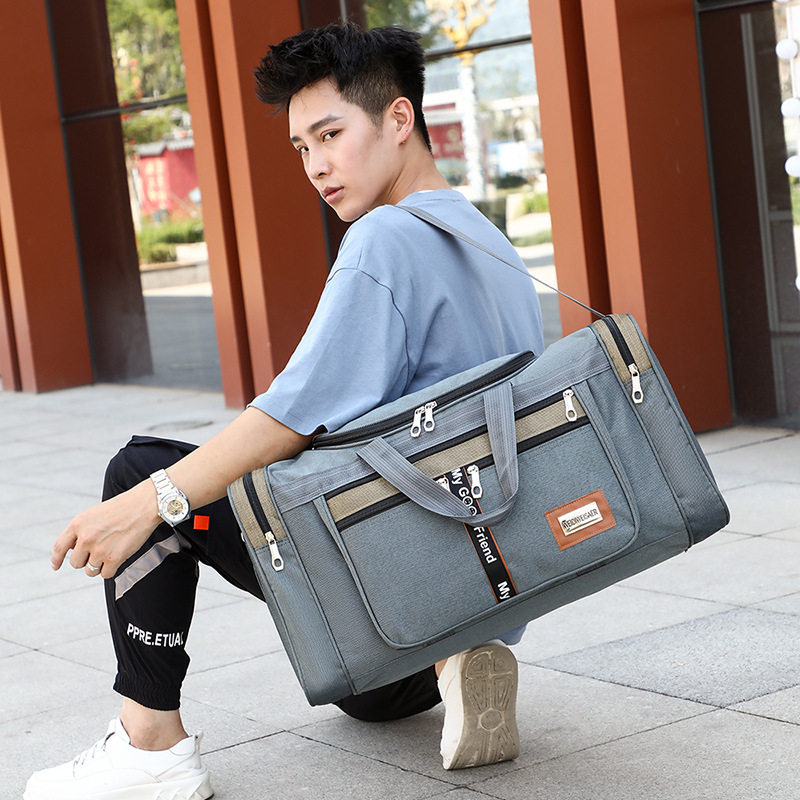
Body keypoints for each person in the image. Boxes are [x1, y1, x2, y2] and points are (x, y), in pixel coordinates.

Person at [24, 21, 544, 800]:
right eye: (302, 147)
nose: (317, 166)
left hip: (394, 596)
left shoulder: (385, 239)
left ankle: (150, 747)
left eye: (330, 135)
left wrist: (149, 502)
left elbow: (288, 418)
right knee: (361, 692)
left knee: (141, 472)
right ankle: (453, 657)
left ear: (399, 119)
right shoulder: (484, 237)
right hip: (485, 583)